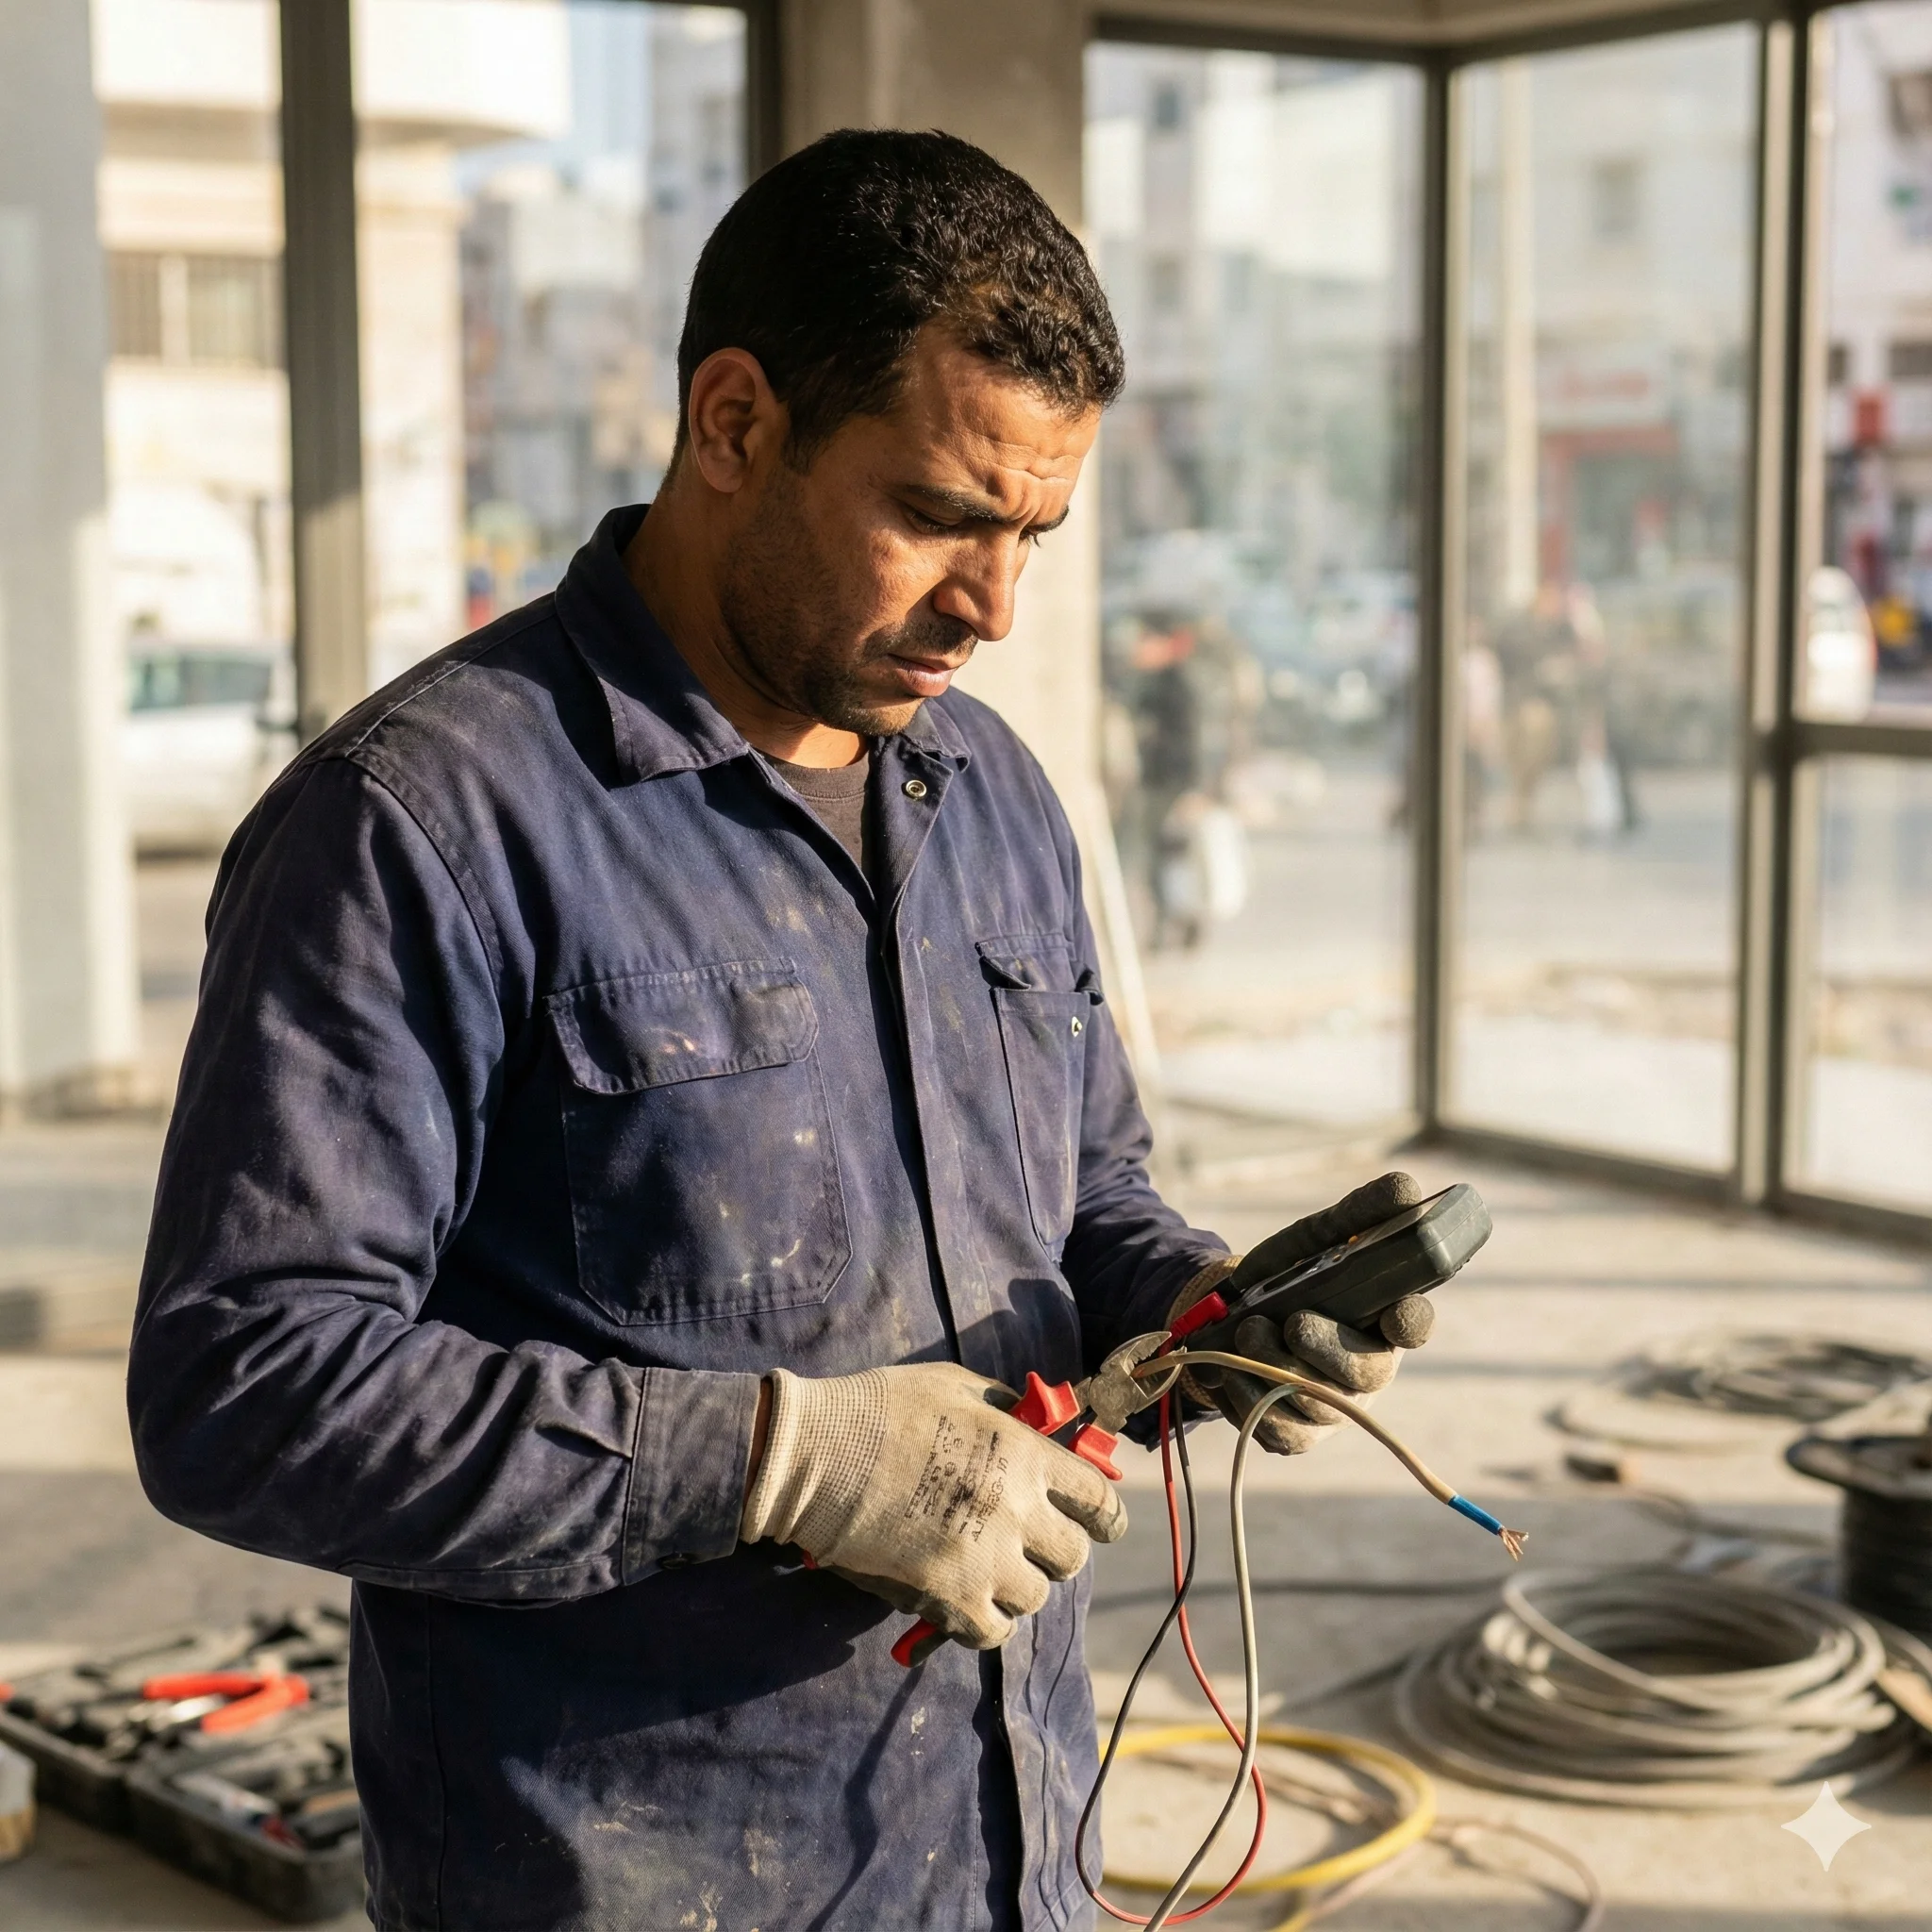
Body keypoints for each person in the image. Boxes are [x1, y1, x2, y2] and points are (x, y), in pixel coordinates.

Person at [126, 130, 1433, 1931]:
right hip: (632, 1870)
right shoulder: (420, 827)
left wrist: (1206, 1309)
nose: (991, 607)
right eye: (939, 516)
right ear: (734, 424)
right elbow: (242, 1387)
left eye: (1036, 535)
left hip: (1003, 1844)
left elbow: (1083, 1193)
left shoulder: (992, 799)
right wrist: (778, 1460)